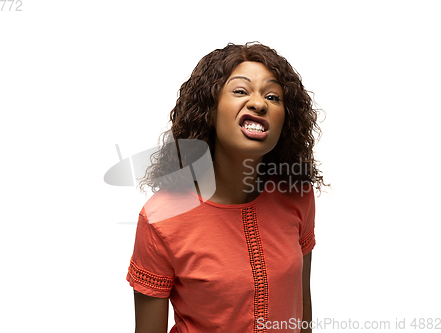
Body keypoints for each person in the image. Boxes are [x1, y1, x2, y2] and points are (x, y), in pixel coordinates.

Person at [127, 42, 327, 333]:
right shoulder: (161, 218)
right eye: (240, 91)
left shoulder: (298, 196)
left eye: (272, 96)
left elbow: (302, 312)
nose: (259, 104)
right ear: (209, 112)